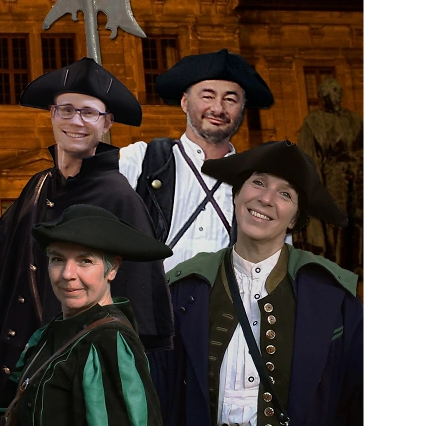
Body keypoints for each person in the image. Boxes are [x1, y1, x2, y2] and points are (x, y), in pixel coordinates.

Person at [0, 57, 174, 425]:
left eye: (89, 113)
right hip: (27, 362)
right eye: (67, 110)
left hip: (80, 376)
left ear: (106, 123)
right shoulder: (38, 186)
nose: (76, 121)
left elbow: (139, 314)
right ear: (52, 114)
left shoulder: (119, 197)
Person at [148, 140, 366, 426]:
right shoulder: (186, 287)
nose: (266, 199)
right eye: (258, 183)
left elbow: (356, 400)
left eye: (285, 194)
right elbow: (158, 391)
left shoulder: (332, 297)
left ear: (295, 219)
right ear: (237, 194)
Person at [0, 203, 172, 426]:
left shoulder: (108, 343)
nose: (67, 274)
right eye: (58, 259)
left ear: (112, 269)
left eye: (85, 261)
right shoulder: (50, 333)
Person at [119, 48, 281, 274]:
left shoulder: (263, 186)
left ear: (242, 109)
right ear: (185, 102)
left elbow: (274, 266)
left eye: (230, 99)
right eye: (207, 96)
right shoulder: (141, 160)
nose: (218, 108)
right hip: (153, 296)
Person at [294, 78, 365, 282]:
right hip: (333, 174)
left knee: (359, 218)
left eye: (339, 89)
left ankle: (358, 263)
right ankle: (337, 262)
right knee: (337, 220)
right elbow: (307, 155)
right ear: (323, 95)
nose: (339, 93)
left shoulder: (354, 119)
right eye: (334, 90)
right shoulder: (313, 120)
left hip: (357, 172)